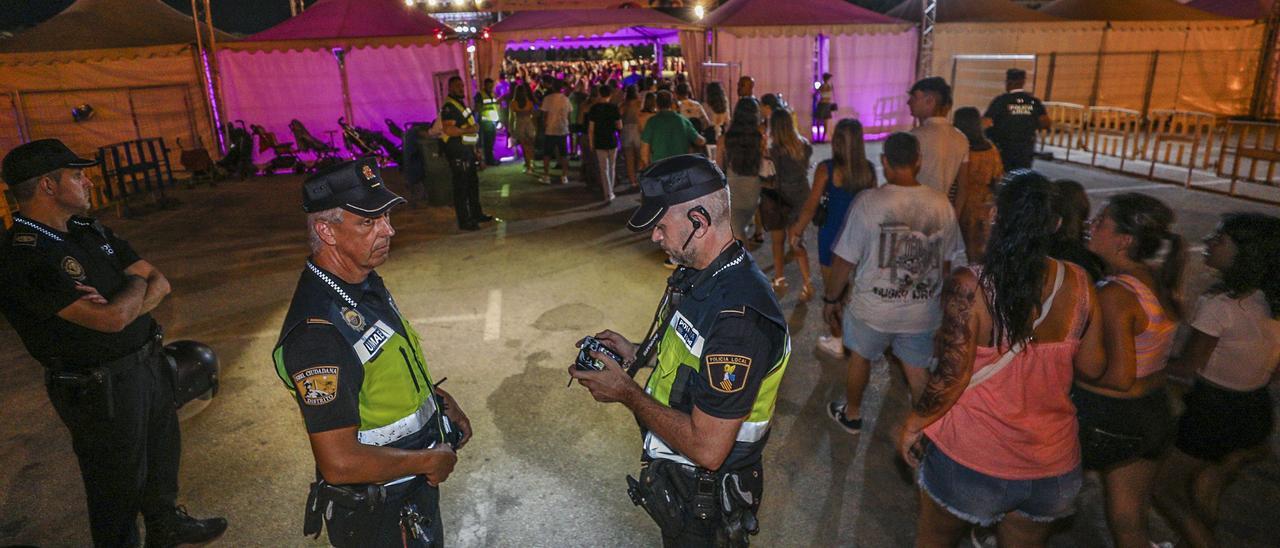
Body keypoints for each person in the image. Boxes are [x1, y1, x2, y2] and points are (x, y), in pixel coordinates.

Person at [0, 139, 227, 547]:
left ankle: (165, 525)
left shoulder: (87, 230)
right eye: (76, 175)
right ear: (48, 186)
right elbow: (111, 319)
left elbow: (160, 282)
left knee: (161, 458)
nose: (87, 182)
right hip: (96, 386)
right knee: (115, 488)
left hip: (146, 363)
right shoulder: (22, 256)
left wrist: (131, 290)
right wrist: (135, 288)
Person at [569, 155, 791, 547]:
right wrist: (637, 352)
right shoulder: (701, 274)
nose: (655, 237)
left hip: (707, 495)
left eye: (660, 226)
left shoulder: (739, 322)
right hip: (678, 476)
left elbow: (708, 449)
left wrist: (627, 392)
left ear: (699, 223)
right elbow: (694, 358)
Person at [898, 171, 1110, 548]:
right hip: (1052, 466)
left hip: (974, 459)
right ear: (1056, 224)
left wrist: (915, 424)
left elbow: (951, 377)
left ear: (996, 214)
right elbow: (1094, 368)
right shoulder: (1080, 282)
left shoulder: (971, 286)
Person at [274, 158, 470, 547]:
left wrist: (439, 401)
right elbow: (339, 462)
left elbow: (385, 366)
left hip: (407, 488)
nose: (389, 230)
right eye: (368, 222)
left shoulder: (361, 281)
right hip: (378, 510)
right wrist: (429, 461)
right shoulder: (317, 333)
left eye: (385, 216)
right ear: (326, 231)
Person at [822, 132, 966, 434]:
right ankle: (927, 430)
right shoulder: (942, 204)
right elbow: (949, 262)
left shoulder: (869, 202)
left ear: (884, 161)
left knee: (860, 359)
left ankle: (852, 414)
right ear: (918, 161)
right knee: (917, 370)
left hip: (872, 309)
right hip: (921, 311)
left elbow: (844, 260)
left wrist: (831, 298)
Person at [1155, 213, 1280, 548]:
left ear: (1245, 252)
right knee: (1204, 489)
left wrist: (1140, 364)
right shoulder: (1269, 302)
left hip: (1214, 412)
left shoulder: (1221, 305)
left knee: (1163, 489)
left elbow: (1186, 369)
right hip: (1255, 411)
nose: (1209, 242)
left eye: (1220, 239)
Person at [1077, 193, 1186, 548]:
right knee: (1129, 521)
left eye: (1101, 222)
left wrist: (1071, 371)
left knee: (1033, 494)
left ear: (1125, 240)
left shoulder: (1115, 294)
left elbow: (1120, 377)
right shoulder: (1156, 278)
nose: (1090, 226)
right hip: (1154, 413)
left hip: (1109, 418)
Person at [790, 119, 876, 357]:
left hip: (832, 238)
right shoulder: (868, 170)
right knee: (852, 291)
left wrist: (797, 230)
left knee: (833, 290)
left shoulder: (826, 169)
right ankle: (851, 337)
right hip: (859, 238)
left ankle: (838, 339)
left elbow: (810, 206)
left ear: (836, 141)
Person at [760, 108, 814, 300]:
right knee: (797, 241)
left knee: (777, 241)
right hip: (800, 197)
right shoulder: (804, 146)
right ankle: (807, 282)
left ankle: (779, 277)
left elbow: (766, 176)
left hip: (779, 199)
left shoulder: (772, 152)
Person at [440, 76, 494, 231]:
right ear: (450, 88)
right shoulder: (449, 107)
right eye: (457, 86)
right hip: (457, 152)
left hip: (467, 150)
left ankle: (476, 214)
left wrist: (475, 150)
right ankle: (464, 220)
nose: (461, 89)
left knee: (472, 185)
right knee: (461, 187)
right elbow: (449, 129)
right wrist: (469, 130)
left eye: (462, 86)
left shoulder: (459, 104)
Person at [952, 107, 1003, 263]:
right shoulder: (990, 148)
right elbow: (998, 177)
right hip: (985, 202)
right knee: (980, 246)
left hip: (963, 201)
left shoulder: (959, 148)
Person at [908, 77, 969, 199]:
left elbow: (903, 178)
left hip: (915, 206)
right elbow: (963, 186)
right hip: (943, 208)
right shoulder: (961, 138)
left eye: (914, 97)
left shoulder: (915, 136)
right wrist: (954, 215)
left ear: (930, 101)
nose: (909, 102)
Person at [983, 68, 1049, 172]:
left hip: (1004, 147)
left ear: (1009, 82)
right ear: (1023, 82)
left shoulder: (1001, 101)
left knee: (1004, 174)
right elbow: (1045, 122)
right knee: (1022, 175)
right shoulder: (1033, 101)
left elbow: (986, 122)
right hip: (1026, 147)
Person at [718, 98, 764, 242]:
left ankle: (745, 262)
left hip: (733, 187)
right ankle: (744, 261)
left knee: (737, 231)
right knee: (738, 230)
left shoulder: (725, 139)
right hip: (753, 186)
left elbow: (719, 168)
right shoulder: (760, 137)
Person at [641, 91, 706, 167]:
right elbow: (699, 141)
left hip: (660, 168)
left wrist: (647, 167)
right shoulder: (683, 120)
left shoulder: (652, 122)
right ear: (672, 103)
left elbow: (644, 152)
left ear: (656, 104)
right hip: (680, 168)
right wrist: (705, 139)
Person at [588, 84, 623, 202]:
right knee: (612, 166)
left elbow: (591, 129)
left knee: (603, 168)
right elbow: (619, 125)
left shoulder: (594, 108)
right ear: (610, 95)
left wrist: (591, 143)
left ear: (599, 94)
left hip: (599, 140)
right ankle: (610, 191)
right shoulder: (614, 108)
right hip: (612, 139)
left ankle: (607, 192)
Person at [540, 78, 573, 185]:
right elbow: (569, 114)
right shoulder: (566, 99)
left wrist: (544, 125)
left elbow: (544, 115)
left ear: (553, 87)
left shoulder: (548, 99)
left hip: (550, 129)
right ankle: (564, 175)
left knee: (547, 153)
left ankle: (546, 175)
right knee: (564, 153)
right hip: (562, 128)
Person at [621, 85, 645, 191]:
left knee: (629, 157)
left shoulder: (623, 105)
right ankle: (640, 178)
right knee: (640, 156)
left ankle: (632, 181)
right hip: (638, 130)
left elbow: (619, 116)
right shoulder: (640, 104)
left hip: (626, 129)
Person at [510, 83, 538, 175]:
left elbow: (511, 117)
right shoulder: (529, 103)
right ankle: (532, 162)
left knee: (524, 146)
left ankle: (528, 165)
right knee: (531, 145)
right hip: (528, 123)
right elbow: (533, 115)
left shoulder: (513, 103)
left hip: (519, 123)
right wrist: (535, 125)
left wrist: (511, 128)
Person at [474, 78, 502, 166]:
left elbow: (495, 106)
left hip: (493, 121)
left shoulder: (493, 94)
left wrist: (498, 119)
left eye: (491, 85)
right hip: (485, 121)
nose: (491, 87)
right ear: (485, 85)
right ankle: (490, 161)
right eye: (489, 85)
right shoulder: (480, 95)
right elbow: (477, 108)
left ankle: (490, 159)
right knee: (487, 142)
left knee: (491, 141)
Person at [813, 73, 834, 143]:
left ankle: (819, 138)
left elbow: (815, 94)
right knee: (825, 123)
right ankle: (822, 138)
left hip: (822, 104)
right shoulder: (830, 86)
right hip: (827, 104)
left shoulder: (822, 86)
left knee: (819, 122)